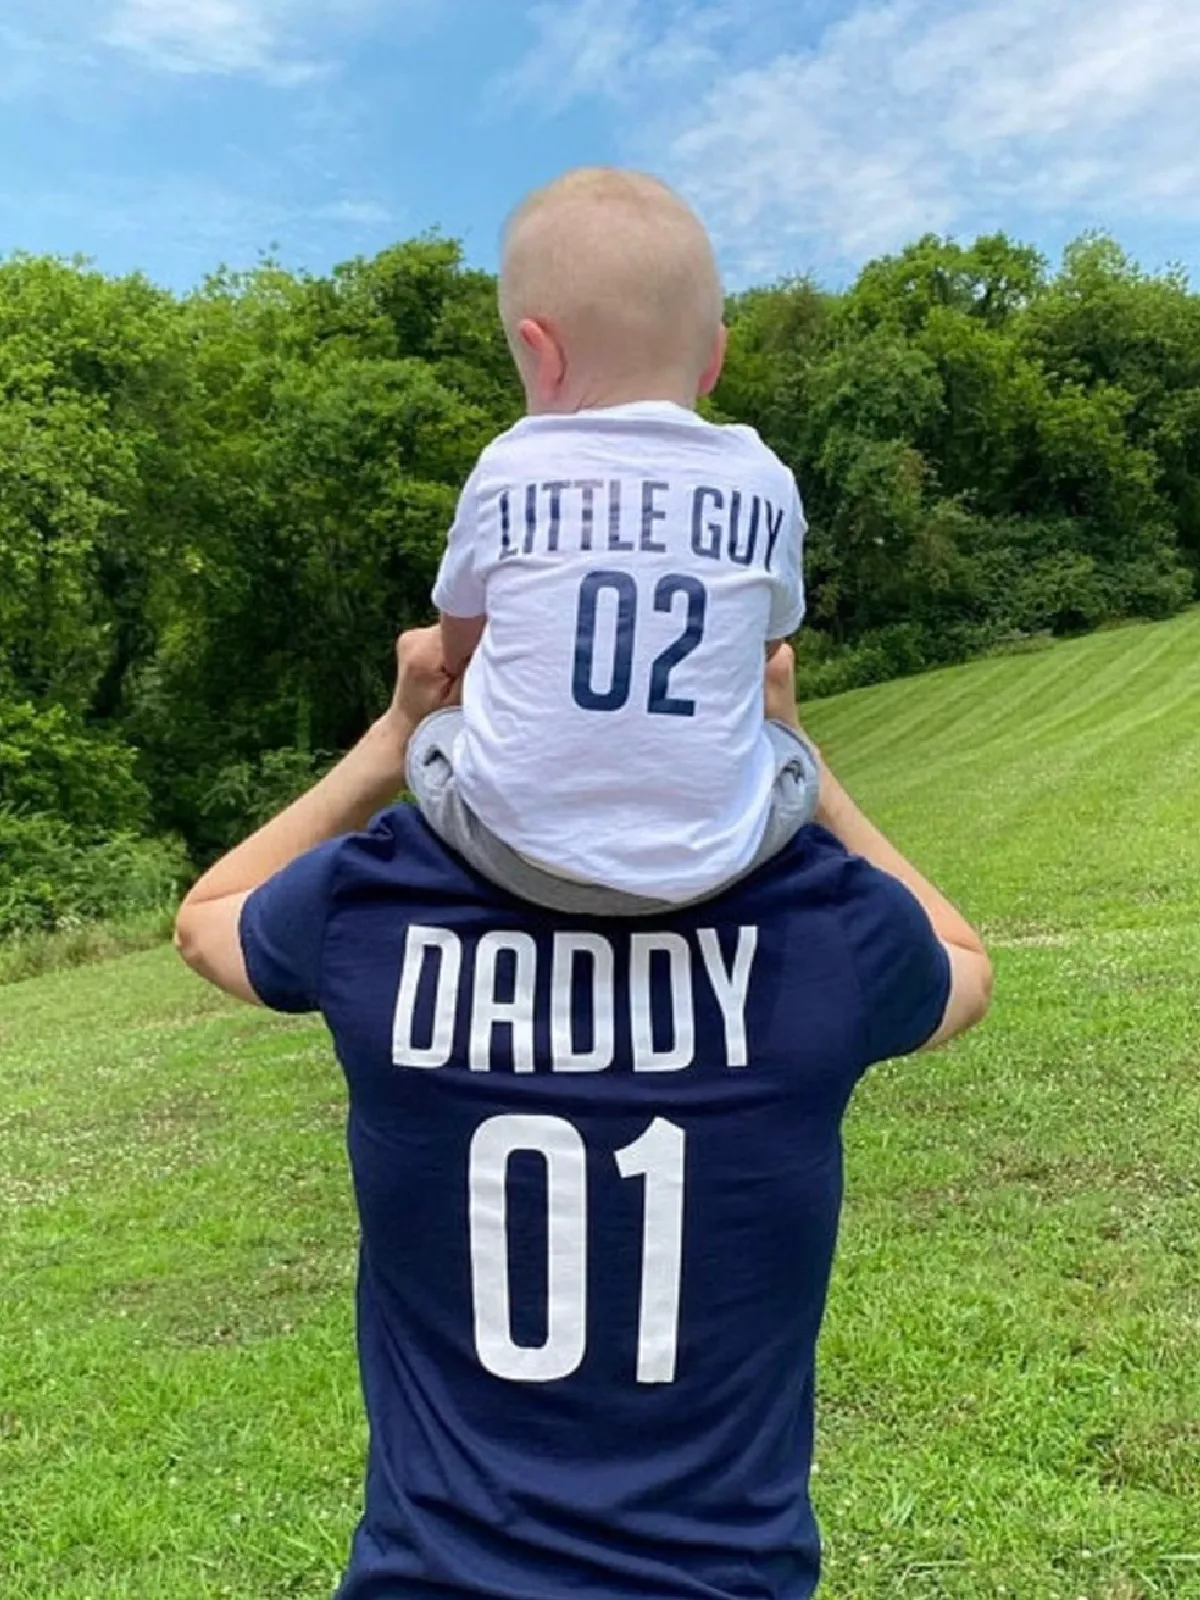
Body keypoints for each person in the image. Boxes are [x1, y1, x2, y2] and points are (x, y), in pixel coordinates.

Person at [175, 626, 992, 1600]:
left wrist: (397, 737)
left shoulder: (377, 900)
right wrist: (801, 757)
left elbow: (207, 916)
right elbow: (965, 964)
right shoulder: (826, 926)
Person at [417, 167, 815, 915]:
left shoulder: (508, 466)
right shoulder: (765, 478)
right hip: (718, 859)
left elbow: (459, 645)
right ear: (715, 358)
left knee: (434, 738)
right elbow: (764, 649)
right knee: (789, 758)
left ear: (542, 354)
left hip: (518, 856)